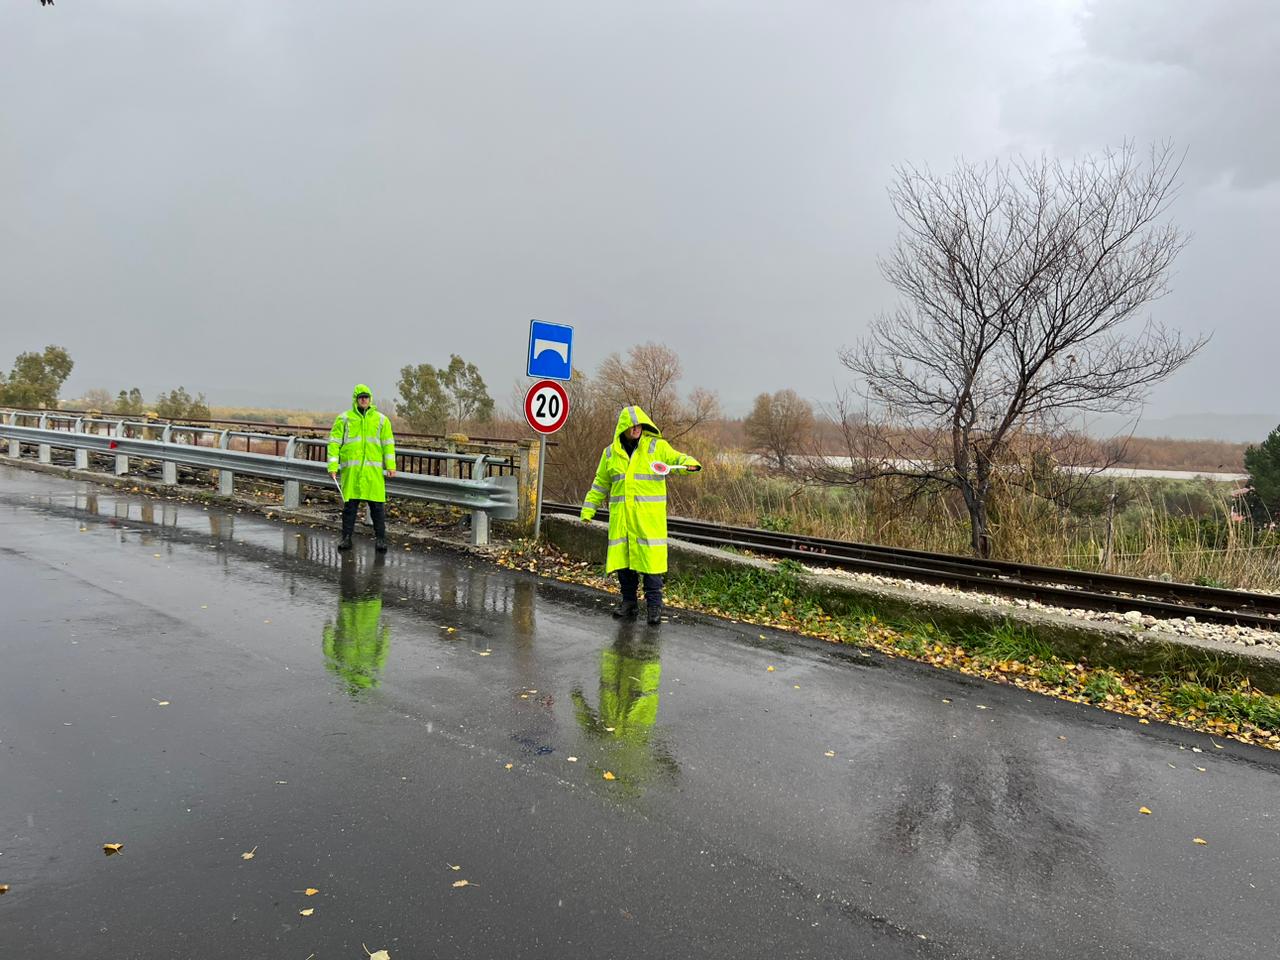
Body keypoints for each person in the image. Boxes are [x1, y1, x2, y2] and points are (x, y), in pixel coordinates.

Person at [579, 405, 701, 625]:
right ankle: (629, 603)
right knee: (624, 566)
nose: (636, 429)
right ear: (623, 428)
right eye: (632, 426)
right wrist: (588, 510)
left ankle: (654, 607)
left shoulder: (656, 447)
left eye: (639, 425)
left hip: (648, 522)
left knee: (651, 566)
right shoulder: (610, 454)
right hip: (622, 521)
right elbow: (599, 484)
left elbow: (677, 460)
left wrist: (690, 465)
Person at [328, 383, 396, 552]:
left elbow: (388, 444)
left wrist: (391, 465)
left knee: (377, 508)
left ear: (370, 399)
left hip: (372, 472)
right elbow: (334, 443)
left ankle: (381, 540)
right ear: (356, 399)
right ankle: (346, 539)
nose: (364, 400)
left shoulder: (381, 420)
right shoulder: (344, 419)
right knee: (350, 507)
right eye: (361, 397)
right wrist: (333, 466)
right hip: (353, 472)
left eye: (366, 397)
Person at [323, 553, 391, 696]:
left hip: (363, 609)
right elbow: (328, 651)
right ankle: (353, 555)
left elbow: (382, 652)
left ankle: (366, 556)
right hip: (356, 608)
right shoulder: (340, 670)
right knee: (350, 574)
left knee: (373, 576)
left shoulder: (342, 670)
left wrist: (386, 631)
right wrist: (327, 630)